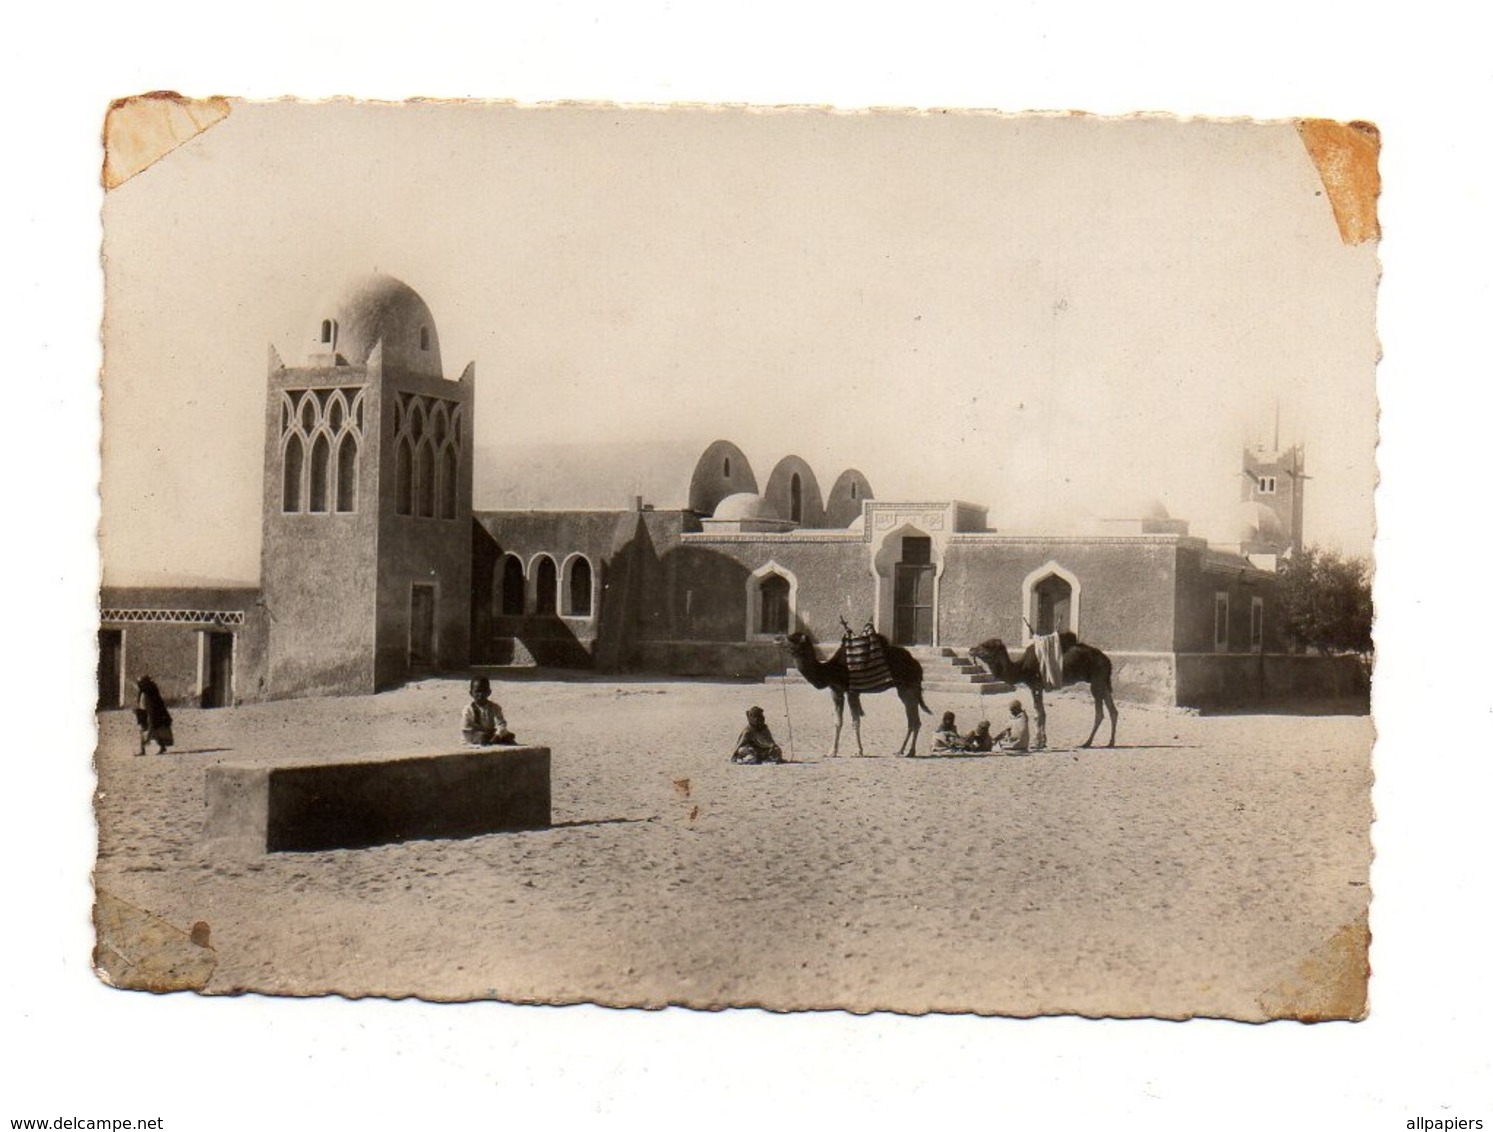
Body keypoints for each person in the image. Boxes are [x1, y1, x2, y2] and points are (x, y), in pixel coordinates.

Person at [462, 677, 516, 746]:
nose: (480, 694)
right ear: (471, 693)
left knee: (508, 736)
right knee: (482, 737)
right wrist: (479, 735)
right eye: (477, 691)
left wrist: (497, 735)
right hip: (473, 735)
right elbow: (466, 729)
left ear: (489, 692)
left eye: (483, 691)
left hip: (491, 734)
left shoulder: (495, 707)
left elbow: (501, 724)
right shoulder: (468, 710)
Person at [133, 675, 173, 756]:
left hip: (153, 716)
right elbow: (141, 705)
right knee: (147, 732)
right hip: (145, 715)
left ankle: (147, 749)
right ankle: (144, 749)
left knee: (153, 731)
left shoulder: (149, 694)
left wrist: (150, 720)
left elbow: (151, 709)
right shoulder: (146, 692)